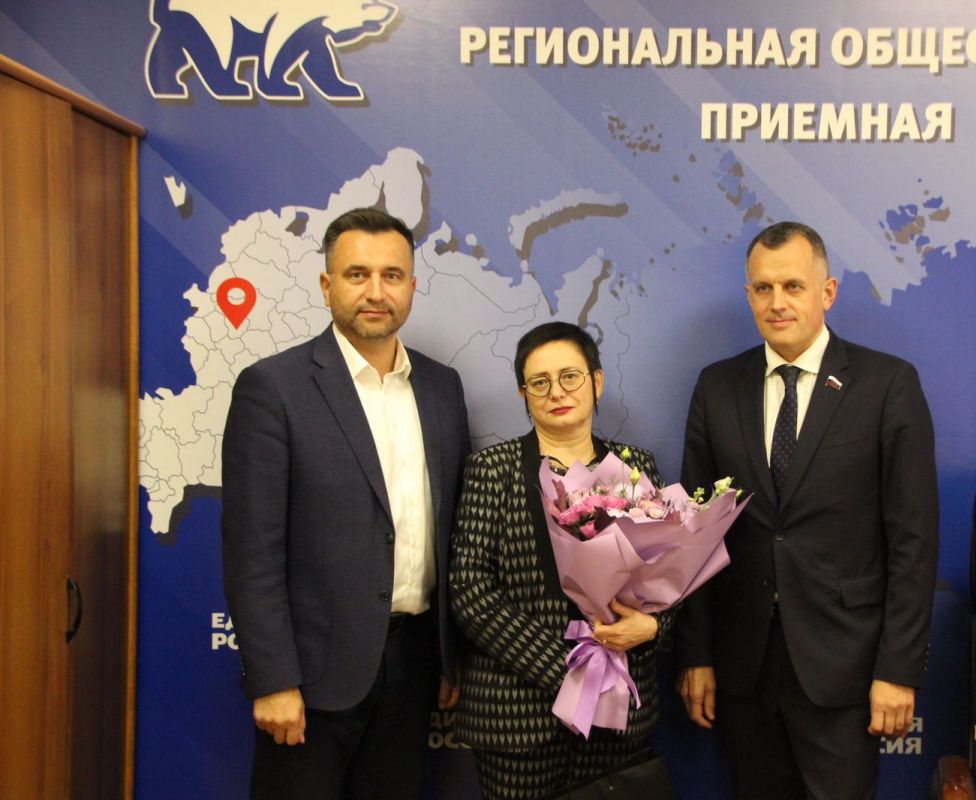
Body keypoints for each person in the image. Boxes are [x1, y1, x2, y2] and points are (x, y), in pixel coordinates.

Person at [675, 221, 939, 799]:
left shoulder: (887, 385)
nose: (778, 302)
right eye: (763, 288)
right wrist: (695, 653)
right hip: (743, 665)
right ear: (748, 295)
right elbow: (694, 535)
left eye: (793, 286)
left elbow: (913, 540)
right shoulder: (717, 387)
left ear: (828, 291)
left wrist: (897, 669)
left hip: (844, 665)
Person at [221, 207, 470, 799]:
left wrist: (448, 657)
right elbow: (252, 552)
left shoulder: (442, 388)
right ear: (327, 285)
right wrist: (273, 679)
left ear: (412, 286)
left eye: (392, 275)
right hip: (310, 678)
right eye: (358, 274)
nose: (376, 292)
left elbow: (449, 530)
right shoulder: (273, 388)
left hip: (414, 669)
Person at [450, 322, 670, 800]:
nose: (557, 392)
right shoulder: (492, 470)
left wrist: (654, 627)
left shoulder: (636, 467)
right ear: (524, 394)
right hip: (519, 715)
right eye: (539, 382)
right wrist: (571, 674)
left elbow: (669, 574)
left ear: (597, 381)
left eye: (570, 376)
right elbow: (471, 590)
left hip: (619, 711)